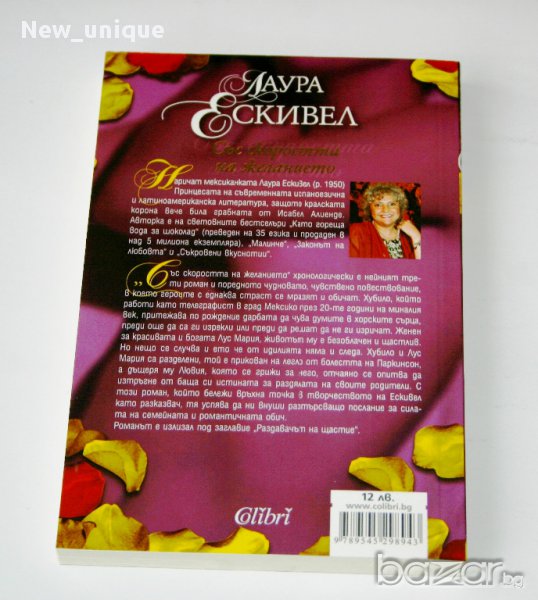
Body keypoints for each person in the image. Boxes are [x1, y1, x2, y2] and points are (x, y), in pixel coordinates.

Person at [349, 183, 421, 259]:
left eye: (392, 204)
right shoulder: (357, 232)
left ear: (400, 208)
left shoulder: (410, 234)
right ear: (369, 209)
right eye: (378, 205)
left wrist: (416, 237)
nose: (386, 210)